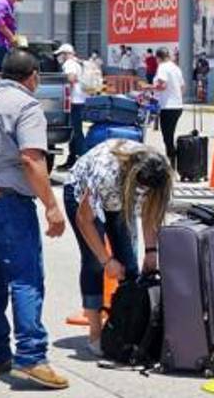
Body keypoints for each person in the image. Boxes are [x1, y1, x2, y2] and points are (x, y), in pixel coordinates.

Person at [0, 50, 69, 389]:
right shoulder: (27, 106)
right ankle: (32, 357)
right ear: (33, 76)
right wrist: (51, 205)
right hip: (8, 205)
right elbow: (31, 160)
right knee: (26, 279)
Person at [64, 140, 172, 356]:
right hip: (81, 195)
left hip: (118, 202)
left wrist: (151, 252)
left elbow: (151, 210)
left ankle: (127, 329)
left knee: (129, 267)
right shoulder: (106, 175)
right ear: (133, 178)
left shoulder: (159, 169)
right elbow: (84, 220)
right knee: (93, 262)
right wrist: (106, 260)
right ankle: (95, 333)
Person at [152, 47, 185, 169]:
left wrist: (152, 88)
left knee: (167, 137)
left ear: (158, 58)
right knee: (169, 135)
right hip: (177, 106)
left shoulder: (163, 67)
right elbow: (182, 87)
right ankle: (172, 162)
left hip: (167, 106)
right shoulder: (176, 68)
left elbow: (162, 85)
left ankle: (172, 165)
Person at [55, 43, 86, 170]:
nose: (59, 57)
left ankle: (81, 159)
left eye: (60, 54)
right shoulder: (76, 63)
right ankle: (72, 158)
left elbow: (71, 79)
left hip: (74, 102)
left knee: (76, 132)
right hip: (79, 101)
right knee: (75, 132)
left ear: (66, 53)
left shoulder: (69, 64)